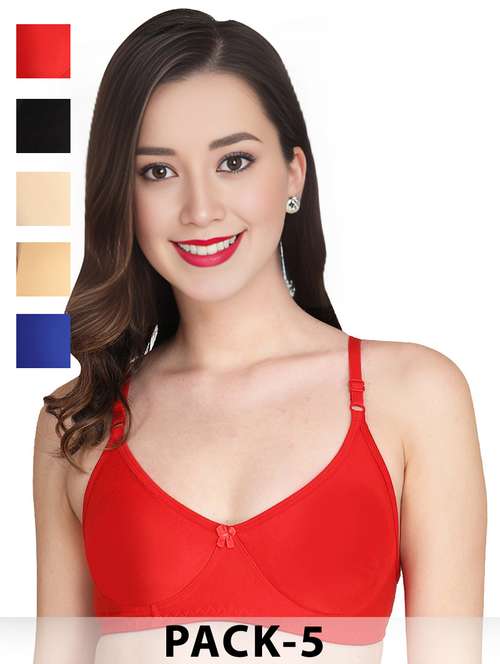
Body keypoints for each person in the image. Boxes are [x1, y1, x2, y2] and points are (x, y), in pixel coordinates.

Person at [33, 8, 486, 663]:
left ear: (294, 173)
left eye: (235, 161)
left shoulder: (416, 396)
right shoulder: (78, 424)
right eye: (157, 171)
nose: (201, 210)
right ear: (120, 196)